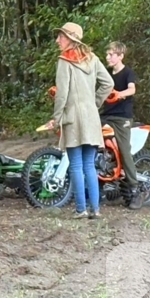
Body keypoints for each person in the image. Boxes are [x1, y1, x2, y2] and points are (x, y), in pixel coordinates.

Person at [45, 22, 114, 219]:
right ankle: (96, 209)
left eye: (62, 36)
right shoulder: (92, 58)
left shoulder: (64, 61)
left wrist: (56, 118)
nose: (58, 40)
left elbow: (62, 94)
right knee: (89, 165)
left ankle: (80, 209)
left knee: (75, 165)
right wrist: (94, 103)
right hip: (91, 117)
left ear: (71, 38)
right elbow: (108, 83)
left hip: (73, 118)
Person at [101, 41, 142, 209]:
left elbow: (132, 89)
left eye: (111, 54)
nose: (108, 57)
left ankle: (134, 190)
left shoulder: (127, 73)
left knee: (125, 151)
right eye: (107, 54)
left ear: (120, 56)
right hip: (106, 115)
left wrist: (120, 94)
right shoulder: (106, 74)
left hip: (121, 118)